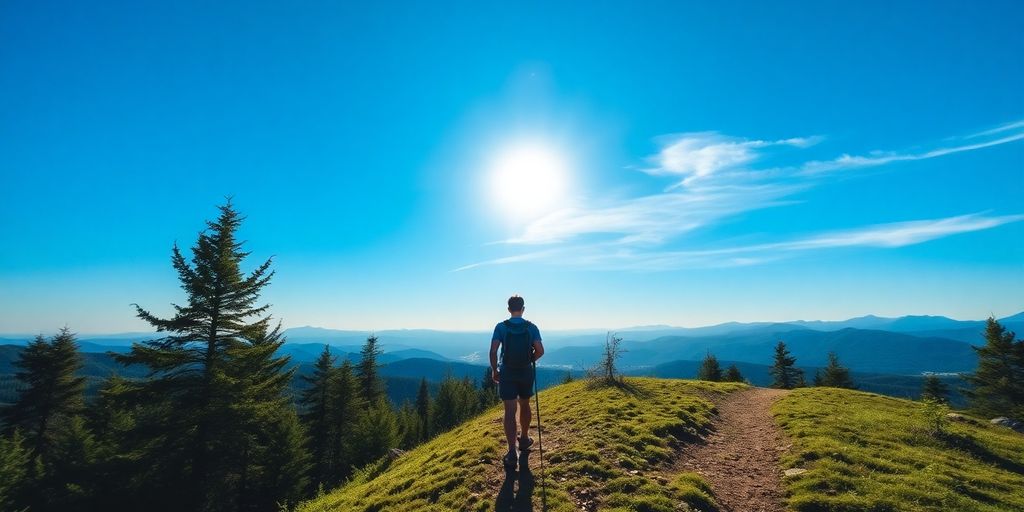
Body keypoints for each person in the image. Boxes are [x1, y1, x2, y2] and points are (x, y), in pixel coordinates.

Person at [490, 294, 545, 470]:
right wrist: (530, 360)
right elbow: (540, 351)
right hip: (525, 371)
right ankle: (525, 439)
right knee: (525, 404)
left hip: (507, 371)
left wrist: (494, 370)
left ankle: (511, 452)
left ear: (508, 309)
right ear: (523, 309)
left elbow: (493, 351)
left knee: (510, 410)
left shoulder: (501, 327)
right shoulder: (531, 327)